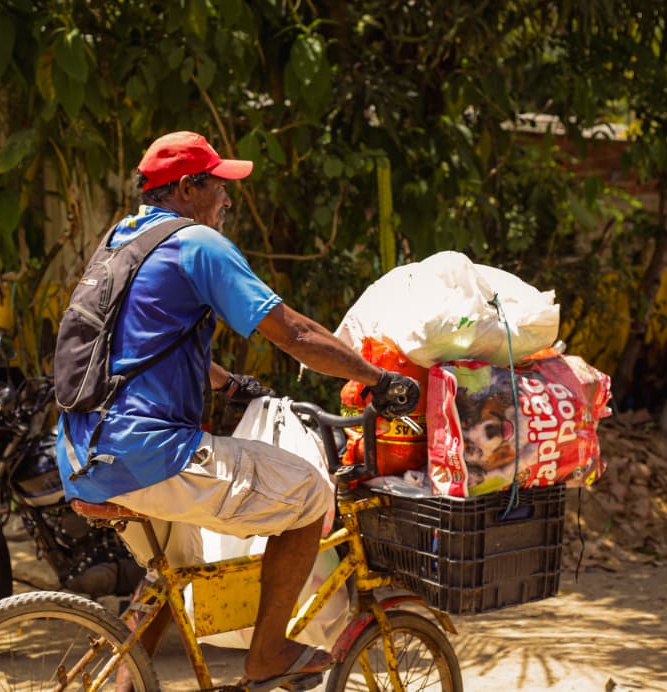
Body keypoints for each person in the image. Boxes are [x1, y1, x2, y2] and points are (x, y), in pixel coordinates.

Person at [55, 130, 419, 690]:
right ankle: (267, 653)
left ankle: (123, 685)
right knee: (310, 495)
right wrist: (376, 378)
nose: (228, 200)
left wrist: (227, 386)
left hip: (83, 449)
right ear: (186, 188)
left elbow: (137, 346)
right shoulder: (197, 244)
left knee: (168, 574)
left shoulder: (122, 241)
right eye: (220, 186)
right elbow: (293, 332)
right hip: (147, 450)